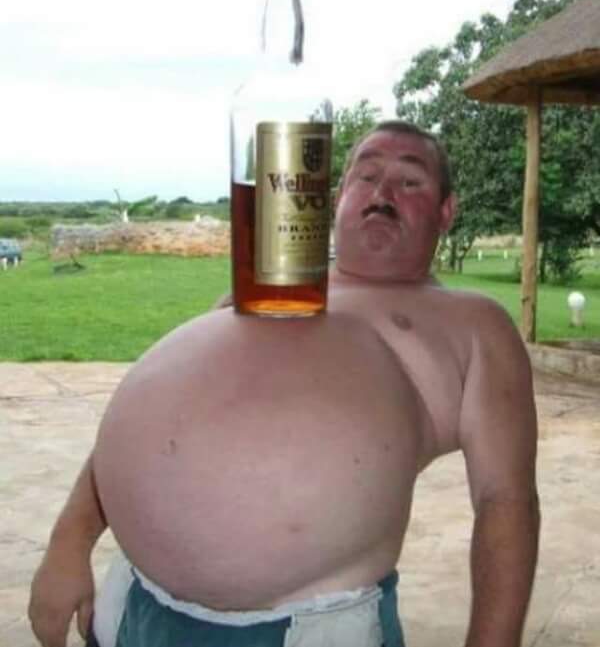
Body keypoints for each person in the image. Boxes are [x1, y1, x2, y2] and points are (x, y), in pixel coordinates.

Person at [29, 120, 540, 647]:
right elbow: (148, 419)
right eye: (366, 177)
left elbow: (506, 501)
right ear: (337, 200)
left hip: (302, 628)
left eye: (410, 182)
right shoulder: (263, 283)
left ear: (446, 212)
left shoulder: (471, 323)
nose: (382, 193)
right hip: (135, 604)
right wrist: (68, 544)